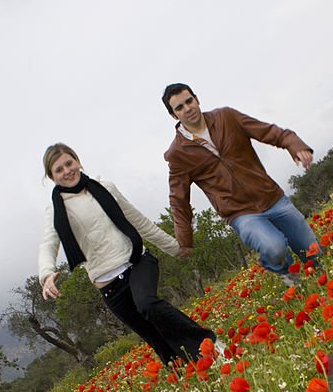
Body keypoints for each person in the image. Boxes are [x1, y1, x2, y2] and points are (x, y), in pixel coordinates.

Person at [37, 142, 215, 365]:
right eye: (59, 170)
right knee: (153, 335)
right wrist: (46, 274)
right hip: (108, 284)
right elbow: (48, 243)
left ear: (77, 161)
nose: (67, 171)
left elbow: (138, 221)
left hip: (136, 261)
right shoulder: (56, 210)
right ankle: (187, 372)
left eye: (69, 163)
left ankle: (210, 348)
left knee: (148, 304)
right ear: (52, 178)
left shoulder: (105, 187)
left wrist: (174, 247)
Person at [161, 83, 320, 287]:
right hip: (241, 214)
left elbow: (267, 131)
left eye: (189, 101)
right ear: (174, 116)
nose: (187, 108)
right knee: (274, 248)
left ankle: (323, 282)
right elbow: (178, 199)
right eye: (179, 108)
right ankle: (284, 273)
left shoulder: (226, 117)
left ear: (197, 99)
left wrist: (294, 145)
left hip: (271, 196)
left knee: (314, 253)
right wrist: (184, 240)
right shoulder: (177, 154)